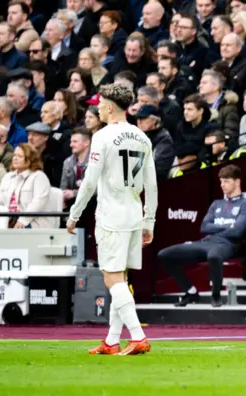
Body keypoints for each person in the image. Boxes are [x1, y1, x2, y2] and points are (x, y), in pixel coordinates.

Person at [66, 84, 158, 356]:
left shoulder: (103, 136)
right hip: (133, 211)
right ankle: (111, 340)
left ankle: (139, 337)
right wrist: (149, 220)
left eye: (100, 104)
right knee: (122, 277)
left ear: (109, 106)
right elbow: (152, 184)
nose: (97, 109)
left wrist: (73, 214)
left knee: (112, 278)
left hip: (111, 215)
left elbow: (90, 181)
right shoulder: (142, 137)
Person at [158, 165, 246, 308]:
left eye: (226, 181)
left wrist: (218, 228)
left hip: (230, 244)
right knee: (164, 255)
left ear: (237, 182)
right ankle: (190, 292)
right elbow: (204, 227)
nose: (222, 185)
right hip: (207, 242)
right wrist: (229, 226)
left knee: (214, 256)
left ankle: (216, 295)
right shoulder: (216, 204)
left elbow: (237, 232)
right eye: (221, 181)